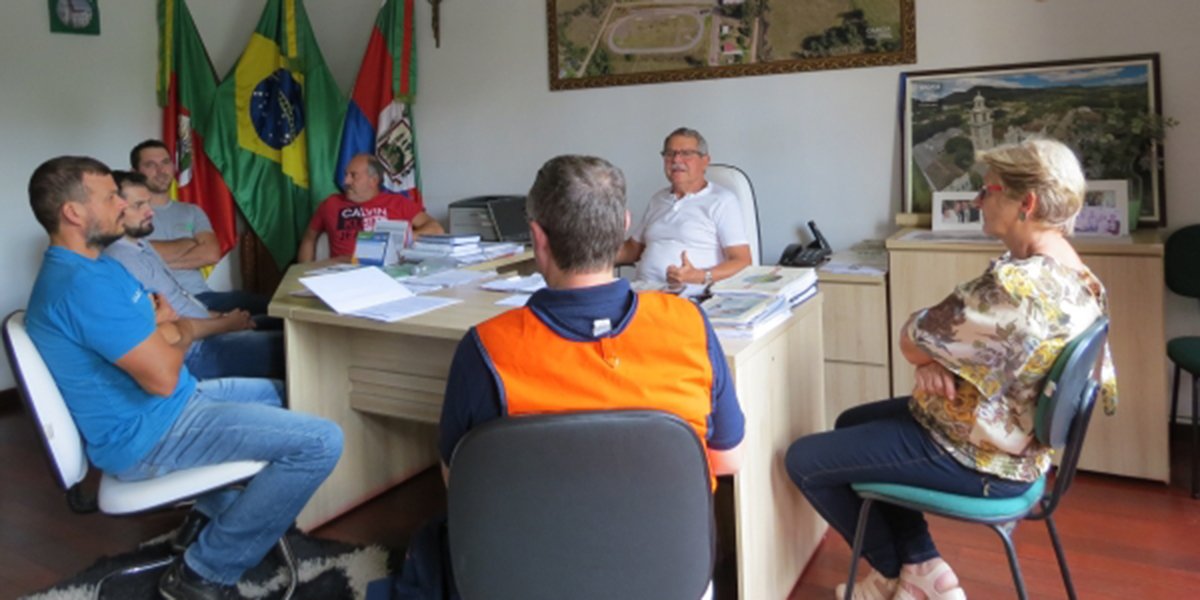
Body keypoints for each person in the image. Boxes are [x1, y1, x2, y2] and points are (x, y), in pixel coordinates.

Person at [784, 139, 1117, 600]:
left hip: (981, 460)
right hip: (1017, 446)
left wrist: (929, 353)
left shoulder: (1013, 286)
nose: (977, 200)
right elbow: (993, 352)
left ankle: (895, 572)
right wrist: (937, 358)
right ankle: (923, 568)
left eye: (987, 190)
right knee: (851, 422)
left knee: (804, 460)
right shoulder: (1081, 278)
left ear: (1026, 203)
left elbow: (911, 336)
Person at [25, 156, 343, 600]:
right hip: (148, 433)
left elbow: (166, 327)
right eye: (111, 196)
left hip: (178, 402)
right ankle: (204, 572)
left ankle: (212, 514)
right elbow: (162, 371)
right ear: (73, 213)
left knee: (298, 393)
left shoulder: (101, 267)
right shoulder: (79, 285)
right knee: (321, 441)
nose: (123, 204)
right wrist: (176, 333)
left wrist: (169, 332)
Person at [104, 171, 285, 380]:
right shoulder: (121, 260)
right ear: (115, 209)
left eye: (148, 203)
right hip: (195, 350)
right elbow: (172, 324)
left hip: (207, 327)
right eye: (138, 205)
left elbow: (184, 301)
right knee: (294, 346)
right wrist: (226, 324)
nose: (150, 211)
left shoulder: (141, 244)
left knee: (286, 323)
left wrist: (224, 318)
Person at [131, 139, 271, 316]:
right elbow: (134, 258)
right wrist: (190, 244)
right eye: (150, 165)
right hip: (165, 303)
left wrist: (157, 262)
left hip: (204, 296)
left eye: (165, 162)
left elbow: (211, 254)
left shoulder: (192, 211)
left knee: (275, 310)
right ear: (135, 172)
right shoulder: (129, 215)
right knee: (257, 324)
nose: (161, 170)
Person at [615, 127, 752, 286]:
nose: (676, 160)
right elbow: (633, 249)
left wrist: (700, 276)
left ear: (705, 161)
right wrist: (594, 254)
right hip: (643, 291)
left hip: (690, 296)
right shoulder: (658, 199)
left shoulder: (722, 201)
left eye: (686, 153)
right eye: (670, 153)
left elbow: (742, 261)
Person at [297, 153, 444, 262]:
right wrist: (302, 273)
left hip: (391, 272)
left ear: (373, 181)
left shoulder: (398, 203)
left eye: (353, 175)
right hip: (344, 273)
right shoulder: (330, 204)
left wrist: (404, 238)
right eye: (346, 175)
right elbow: (309, 238)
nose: (345, 181)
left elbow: (436, 229)